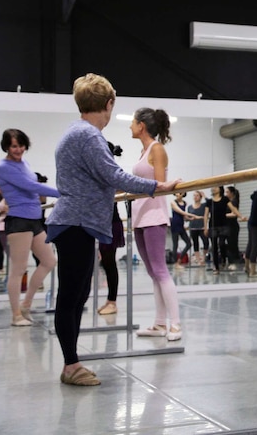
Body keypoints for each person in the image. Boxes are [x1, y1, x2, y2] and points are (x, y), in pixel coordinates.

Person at [46, 73, 179, 386]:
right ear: (108, 104)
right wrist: (157, 186)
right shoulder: (89, 135)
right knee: (72, 297)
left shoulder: (76, 131)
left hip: (76, 223)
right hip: (76, 223)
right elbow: (115, 175)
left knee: (76, 296)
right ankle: (70, 366)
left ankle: (71, 363)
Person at [0, 129, 60, 326]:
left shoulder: (25, 163)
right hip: (18, 220)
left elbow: (34, 186)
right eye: (14, 146)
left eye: (21, 145)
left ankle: (26, 304)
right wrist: (63, 193)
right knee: (19, 269)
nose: (18, 150)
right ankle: (16, 314)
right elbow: (31, 186)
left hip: (35, 219)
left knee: (49, 261)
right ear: (6, 146)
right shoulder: (3, 167)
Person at [130, 107, 183, 341]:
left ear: (141, 125)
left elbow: (159, 183)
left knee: (160, 271)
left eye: (132, 122)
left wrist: (171, 184)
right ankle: (160, 323)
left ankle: (176, 324)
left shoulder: (157, 148)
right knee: (153, 273)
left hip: (154, 215)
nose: (129, 126)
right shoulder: (143, 151)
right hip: (140, 215)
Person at [96, 141, 126, 316]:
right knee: (104, 263)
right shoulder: (98, 170)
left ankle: (112, 301)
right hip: (98, 222)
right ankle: (110, 300)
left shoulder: (111, 170)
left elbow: (123, 186)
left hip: (110, 223)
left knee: (109, 263)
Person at [204, 185, 244, 274]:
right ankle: (216, 267)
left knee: (222, 243)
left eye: (216, 187)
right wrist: (205, 227)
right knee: (214, 246)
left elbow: (233, 209)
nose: (213, 188)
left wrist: (241, 216)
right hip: (213, 226)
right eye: (213, 187)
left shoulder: (225, 199)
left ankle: (223, 259)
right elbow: (206, 215)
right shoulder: (209, 202)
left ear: (220, 189)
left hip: (223, 225)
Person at [169, 192, 194, 266]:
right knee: (175, 245)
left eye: (179, 193)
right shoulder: (173, 202)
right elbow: (180, 212)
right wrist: (191, 215)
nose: (177, 194)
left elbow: (184, 216)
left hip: (181, 225)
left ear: (183, 194)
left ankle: (180, 259)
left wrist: (190, 219)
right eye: (176, 193)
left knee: (189, 244)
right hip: (175, 224)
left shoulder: (184, 203)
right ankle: (175, 262)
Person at [187, 190, 210, 266]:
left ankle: (203, 258)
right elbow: (188, 217)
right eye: (194, 195)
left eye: (197, 195)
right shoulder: (190, 207)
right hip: (193, 228)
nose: (195, 197)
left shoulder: (203, 206)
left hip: (202, 227)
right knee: (195, 243)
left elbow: (210, 203)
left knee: (206, 242)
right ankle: (198, 259)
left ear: (200, 197)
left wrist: (204, 196)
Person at [225, 185, 242, 270]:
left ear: (232, 193)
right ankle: (229, 261)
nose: (225, 194)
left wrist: (223, 215)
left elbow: (234, 214)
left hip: (233, 226)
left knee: (232, 245)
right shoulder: (226, 202)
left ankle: (234, 262)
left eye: (227, 192)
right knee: (227, 244)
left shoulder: (234, 202)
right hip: (227, 225)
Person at [0, 188, 6, 275]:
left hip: (1, 227)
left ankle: (1, 267)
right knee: (0, 249)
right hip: (0, 226)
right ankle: (1, 268)